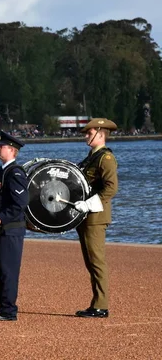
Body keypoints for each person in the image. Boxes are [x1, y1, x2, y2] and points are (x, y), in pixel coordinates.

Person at [74, 118, 118, 318]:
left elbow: (111, 187)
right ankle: (96, 303)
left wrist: (89, 204)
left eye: (88, 132)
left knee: (97, 261)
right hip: (85, 215)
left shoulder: (105, 158)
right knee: (90, 262)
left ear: (100, 134)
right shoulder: (91, 158)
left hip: (96, 215)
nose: (85, 136)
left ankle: (101, 305)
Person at [0, 131, 29, 321]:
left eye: (1, 146)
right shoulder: (2, 171)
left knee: (9, 272)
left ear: (11, 150)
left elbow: (20, 203)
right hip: (2, 229)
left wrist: (1, 217)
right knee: (2, 271)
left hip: (11, 229)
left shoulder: (15, 172)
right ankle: (2, 307)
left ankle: (9, 310)